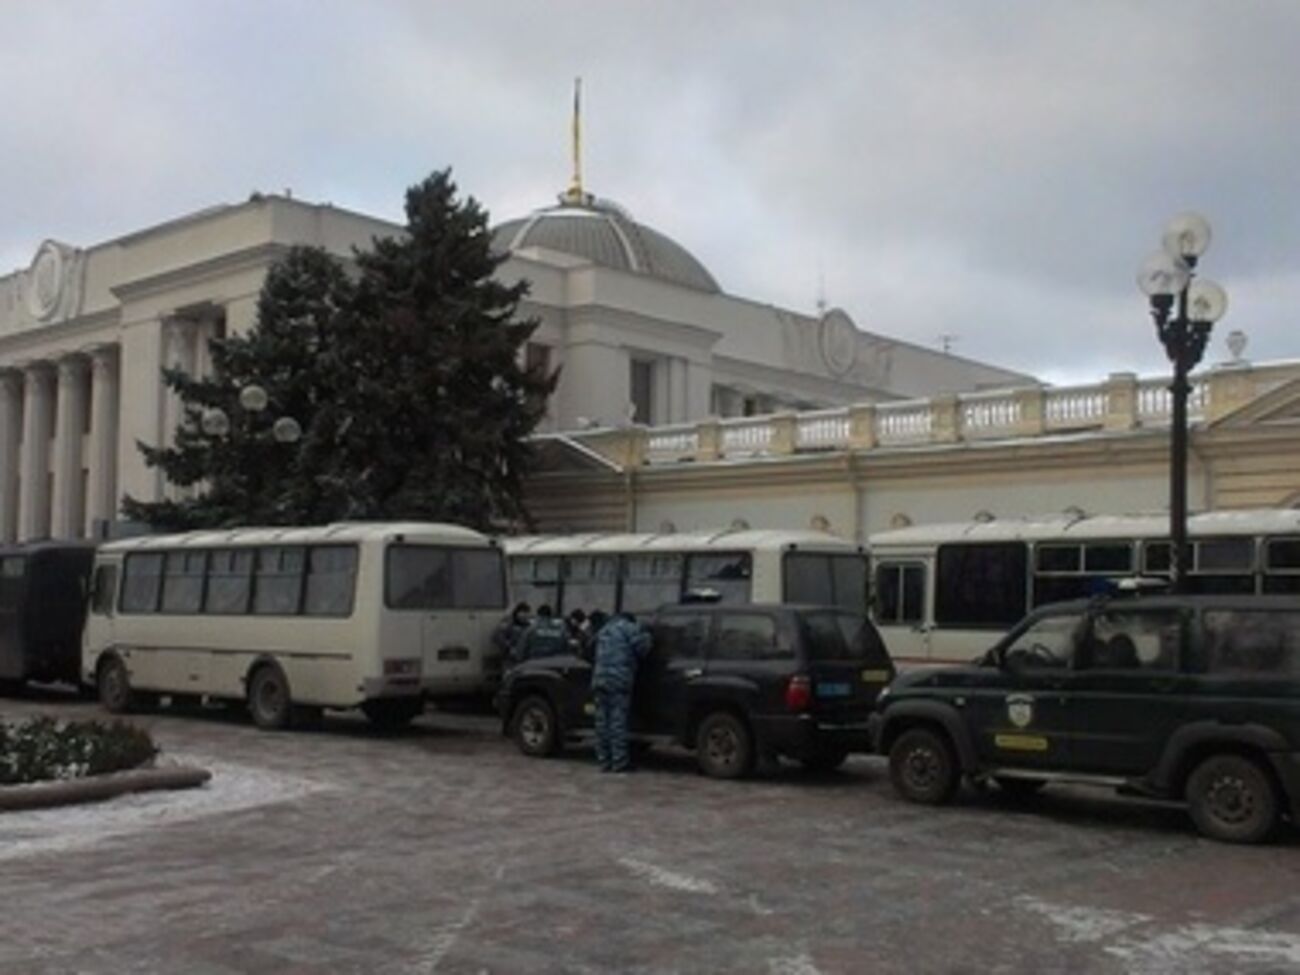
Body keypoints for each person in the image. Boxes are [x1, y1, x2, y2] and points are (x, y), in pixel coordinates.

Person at [590, 611, 652, 773]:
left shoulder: (604, 629)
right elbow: (644, 650)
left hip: (599, 679)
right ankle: (619, 762)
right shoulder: (630, 628)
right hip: (618, 679)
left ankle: (604, 761)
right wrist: (647, 634)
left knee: (602, 722)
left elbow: (590, 649)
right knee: (617, 722)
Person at [493, 602, 532, 672]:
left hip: (525, 660)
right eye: (522, 612)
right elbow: (497, 636)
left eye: (526, 613)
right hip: (510, 659)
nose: (524, 615)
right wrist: (508, 648)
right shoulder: (509, 624)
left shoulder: (529, 626)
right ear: (517, 613)